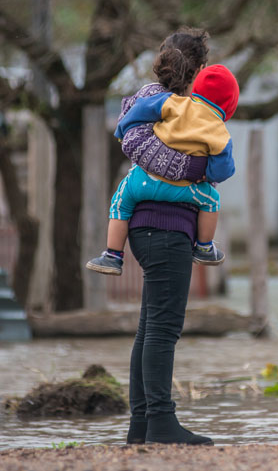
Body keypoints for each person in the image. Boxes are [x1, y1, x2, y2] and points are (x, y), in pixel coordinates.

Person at [112, 28, 216, 445]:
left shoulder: (148, 105)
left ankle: (141, 425)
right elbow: (211, 166)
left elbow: (135, 143)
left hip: (141, 226)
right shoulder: (189, 111)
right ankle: (161, 422)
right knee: (163, 329)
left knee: (148, 327)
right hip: (170, 229)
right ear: (201, 68)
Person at [86, 61, 239, 276]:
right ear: (229, 104)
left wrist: (122, 128)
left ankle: (112, 255)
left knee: (119, 203)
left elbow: (140, 109)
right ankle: (204, 247)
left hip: (143, 181)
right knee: (212, 200)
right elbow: (222, 170)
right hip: (183, 189)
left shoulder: (174, 102)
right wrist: (206, 173)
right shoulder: (220, 132)